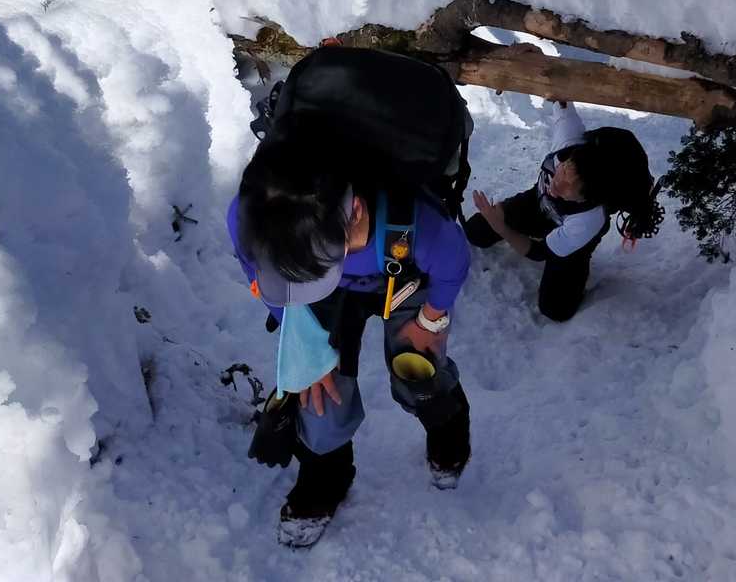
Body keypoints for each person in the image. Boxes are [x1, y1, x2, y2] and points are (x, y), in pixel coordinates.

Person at [228, 126, 473, 545]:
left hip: (402, 275)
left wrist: (431, 320)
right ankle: (326, 477)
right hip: (314, 288)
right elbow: (261, 275)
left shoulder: (417, 225)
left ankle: (448, 436)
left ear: (355, 210)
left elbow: (453, 263)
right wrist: (305, 350)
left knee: (418, 368)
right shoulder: (255, 216)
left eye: (324, 254)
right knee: (316, 392)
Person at [463, 101, 659, 322]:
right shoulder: (568, 143)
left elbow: (539, 253)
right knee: (476, 232)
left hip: (572, 234)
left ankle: (576, 273)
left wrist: (501, 227)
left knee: (556, 309)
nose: (556, 184)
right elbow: (563, 106)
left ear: (587, 198)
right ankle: (537, 226)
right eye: (563, 171)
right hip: (537, 205)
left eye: (568, 188)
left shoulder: (588, 220)